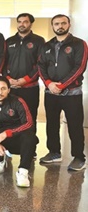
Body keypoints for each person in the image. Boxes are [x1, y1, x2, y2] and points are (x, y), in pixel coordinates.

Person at [37, 14, 87, 171]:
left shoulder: (79, 44)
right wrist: (49, 83)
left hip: (72, 93)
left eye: (63, 23)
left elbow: (80, 67)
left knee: (74, 125)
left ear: (69, 25)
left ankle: (79, 157)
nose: (60, 26)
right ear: (52, 26)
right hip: (51, 92)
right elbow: (41, 66)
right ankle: (54, 152)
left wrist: (62, 85)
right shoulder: (47, 46)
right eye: (56, 23)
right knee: (51, 124)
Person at [4, 13, 45, 131]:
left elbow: (40, 64)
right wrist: (7, 78)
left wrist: (26, 79)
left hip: (30, 88)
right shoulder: (9, 41)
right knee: (10, 116)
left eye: (25, 22)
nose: (22, 24)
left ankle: (29, 147)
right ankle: (12, 144)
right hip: (11, 86)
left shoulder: (39, 41)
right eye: (20, 21)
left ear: (31, 24)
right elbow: (3, 62)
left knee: (30, 117)